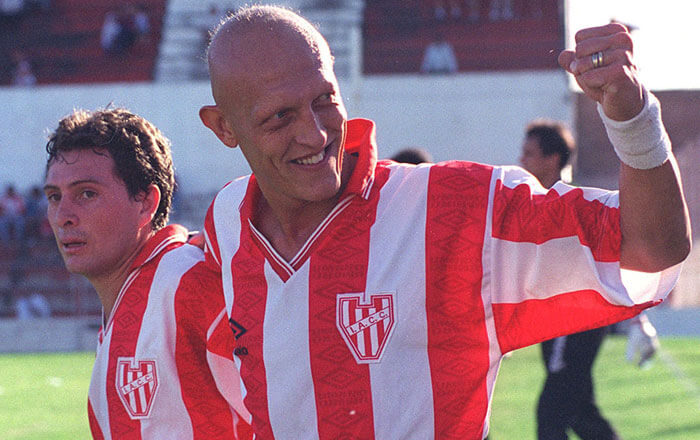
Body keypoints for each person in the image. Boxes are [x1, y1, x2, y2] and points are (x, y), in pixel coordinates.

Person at [198, 6, 690, 438]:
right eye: (280, 117)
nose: (315, 133)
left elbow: (651, 247)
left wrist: (633, 120)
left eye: (325, 99)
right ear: (223, 127)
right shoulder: (228, 221)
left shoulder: (451, 209)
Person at [43, 108, 251, 438]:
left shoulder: (187, 283)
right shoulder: (133, 298)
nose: (62, 216)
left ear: (145, 203)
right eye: (55, 197)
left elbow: (288, 413)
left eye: (86, 193)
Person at [519, 119, 660, 440]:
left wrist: (637, 318)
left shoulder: (576, 202)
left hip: (577, 322)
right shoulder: (530, 202)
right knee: (582, 414)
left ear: (552, 159)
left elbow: (612, 259)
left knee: (550, 415)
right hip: (553, 320)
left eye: (529, 153)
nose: (521, 160)